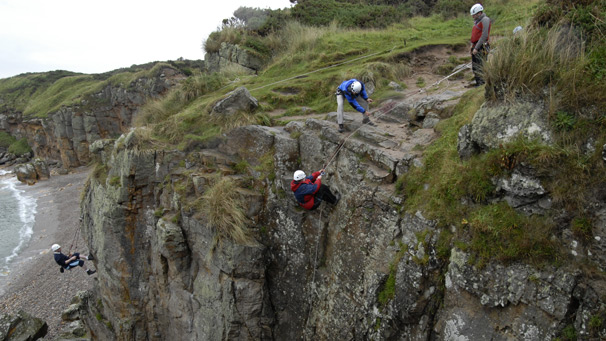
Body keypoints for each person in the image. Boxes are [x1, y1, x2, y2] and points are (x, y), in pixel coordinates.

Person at [469, 3, 491, 86]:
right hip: (475, 46)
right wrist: (472, 47)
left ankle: (481, 83)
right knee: (475, 66)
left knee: (480, 65)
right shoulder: (477, 22)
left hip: (481, 47)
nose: (473, 16)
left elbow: (484, 35)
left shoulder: (485, 20)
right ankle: (478, 83)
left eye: (474, 15)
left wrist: (476, 48)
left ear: (479, 13)